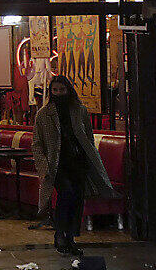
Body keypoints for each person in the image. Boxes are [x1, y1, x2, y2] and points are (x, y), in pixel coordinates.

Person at [31, 75, 116, 256]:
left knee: (77, 199)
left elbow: (88, 137)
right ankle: (60, 234)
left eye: (62, 90)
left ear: (68, 90)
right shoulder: (43, 115)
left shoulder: (79, 111)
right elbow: (37, 143)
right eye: (55, 90)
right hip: (57, 163)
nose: (59, 93)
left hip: (77, 161)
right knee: (66, 193)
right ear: (51, 92)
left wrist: (91, 158)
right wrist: (43, 167)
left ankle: (70, 237)